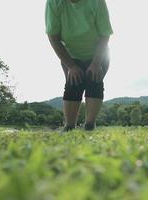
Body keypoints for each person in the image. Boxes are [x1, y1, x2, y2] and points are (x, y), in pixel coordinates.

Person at [45, 0, 113, 131]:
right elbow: (53, 36)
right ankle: (69, 126)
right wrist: (70, 66)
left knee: (94, 82)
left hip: (98, 53)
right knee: (73, 85)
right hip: (70, 55)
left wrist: (95, 63)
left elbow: (105, 34)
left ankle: (89, 125)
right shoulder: (54, 2)